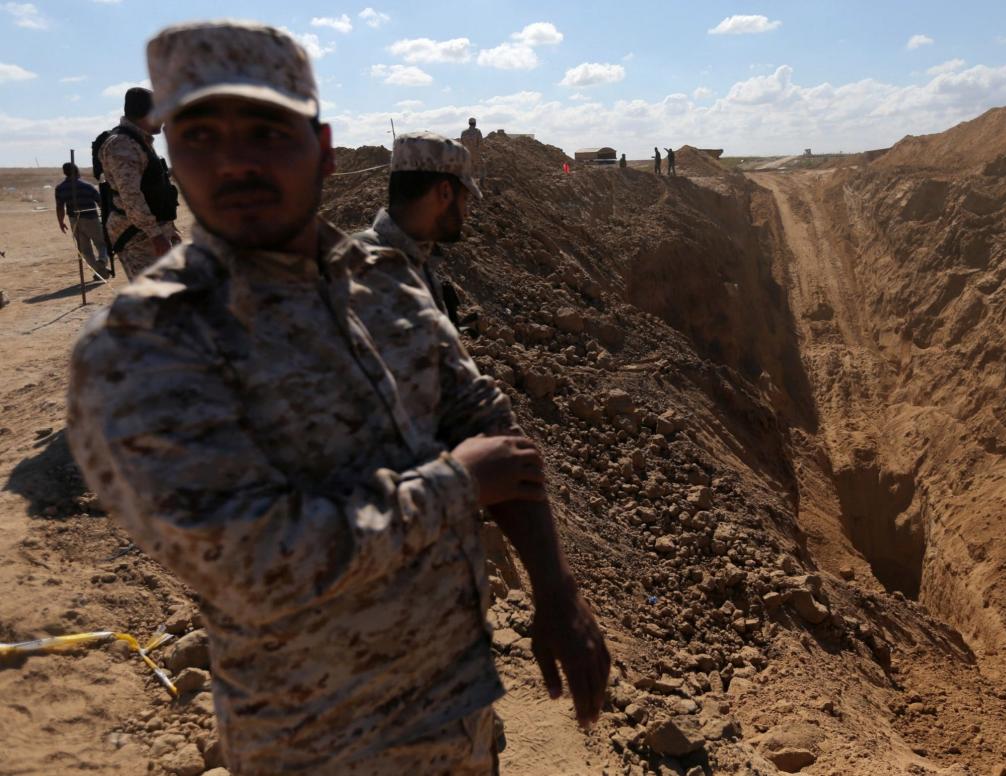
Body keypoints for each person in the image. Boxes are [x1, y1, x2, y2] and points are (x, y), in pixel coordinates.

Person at [67, 20, 608, 775]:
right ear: (171, 161)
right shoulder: (141, 345)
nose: (236, 163)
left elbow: (487, 422)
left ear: (320, 150)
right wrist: (456, 487)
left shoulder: (385, 282)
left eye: (265, 131)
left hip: (459, 718)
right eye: (199, 137)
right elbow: (253, 561)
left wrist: (556, 593)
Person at [354, 133, 474, 328]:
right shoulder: (367, 269)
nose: (467, 213)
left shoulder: (415, 260)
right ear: (445, 192)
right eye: (465, 200)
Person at [97, 86, 180, 280]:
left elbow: (153, 187)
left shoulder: (139, 142)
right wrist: (156, 235)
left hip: (153, 231)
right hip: (138, 236)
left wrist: (168, 230)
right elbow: (131, 196)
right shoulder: (122, 144)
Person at [55, 162, 111, 279]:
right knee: (102, 244)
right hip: (91, 219)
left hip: (74, 221)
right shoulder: (88, 186)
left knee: (85, 250)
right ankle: (102, 262)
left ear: (65, 173)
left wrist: (61, 222)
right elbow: (101, 203)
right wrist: (107, 218)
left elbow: (60, 207)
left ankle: (99, 270)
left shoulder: (60, 188)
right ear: (77, 171)